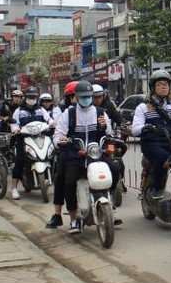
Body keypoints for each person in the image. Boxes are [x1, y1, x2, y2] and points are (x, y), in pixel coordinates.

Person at [48, 81, 121, 233]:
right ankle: (74, 219)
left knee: (114, 169)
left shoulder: (100, 112)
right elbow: (58, 133)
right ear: (76, 97)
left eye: (89, 96)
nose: (86, 99)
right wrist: (60, 141)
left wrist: (104, 126)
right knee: (69, 181)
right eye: (83, 97)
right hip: (76, 155)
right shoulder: (69, 113)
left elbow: (109, 134)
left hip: (96, 154)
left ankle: (109, 203)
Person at [131, 70, 171, 199]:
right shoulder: (143, 107)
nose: (164, 86)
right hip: (152, 144)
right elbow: (135, 129)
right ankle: (157, 188)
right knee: (162, 157)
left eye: (166, 83)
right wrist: (146, 127)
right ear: (152, 88)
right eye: (160, 84)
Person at [10, 86, 53, 200]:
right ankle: (14, 188)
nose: (32, 99)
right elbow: (14, 123)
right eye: (29, 97)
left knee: (52, 155)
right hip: (23, 139)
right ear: (26, 97)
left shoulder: (41, 109)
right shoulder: (19, 110)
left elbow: (49, 119)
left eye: (34, 97)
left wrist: (53, 124)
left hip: (40, 138)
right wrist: (15, 129)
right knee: (19, 161)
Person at [93, 84, 127, 193]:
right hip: (91, 142)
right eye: (94, 97)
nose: (97, 100)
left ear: (103, 96)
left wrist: (125, 123)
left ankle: (119, 180)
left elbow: (117, 117)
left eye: (99, 97)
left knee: (118, 158)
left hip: (107, 138)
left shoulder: (108, 106)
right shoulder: (86, 109)